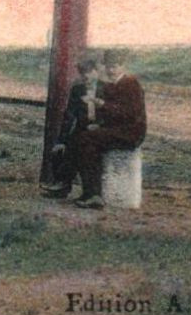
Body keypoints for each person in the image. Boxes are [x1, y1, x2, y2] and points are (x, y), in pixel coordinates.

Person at [68, 49, 146, 209]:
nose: (111, 70)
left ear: (123, 66)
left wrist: (101, 104)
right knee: (84, 138)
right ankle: (92, 193)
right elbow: (112, 115)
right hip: (117, 130)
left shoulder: (131, 84)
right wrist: (100, 125)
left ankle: (92, 193)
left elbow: (130, 114)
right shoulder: (112, 86)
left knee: (85, 139)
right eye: (108, 66)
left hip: (131, 132)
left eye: (115, 66)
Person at [40, 55, 100, 198]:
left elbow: (112, 112)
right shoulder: (77, 90)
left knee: (80, 146)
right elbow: (69, 116)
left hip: (100, 128)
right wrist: (61, 140)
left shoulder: (106, 88)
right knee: (63, 147)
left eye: (89, 72)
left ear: (96, 71)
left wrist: (99, 125)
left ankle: (86, 191)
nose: (86, 76)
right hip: (82, 128)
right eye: (82, 73)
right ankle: (63, 185)